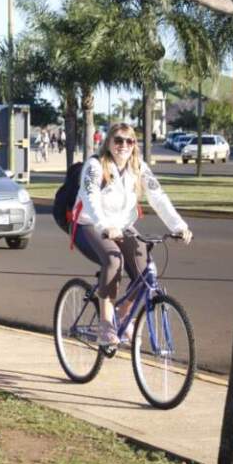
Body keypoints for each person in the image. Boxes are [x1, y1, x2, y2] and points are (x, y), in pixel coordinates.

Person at [72, 123, 192, 346]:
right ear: (108, 142)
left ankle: (124, 312)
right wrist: (104, 226)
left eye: (129, 141)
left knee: (145, 270)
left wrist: (178, 226)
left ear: (135, 145)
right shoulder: (95, 166)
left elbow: (158, 197)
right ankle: (106, 325)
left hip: (122, 225)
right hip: (90, 224)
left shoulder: (139, 168)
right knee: (113, 259)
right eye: (118, 140)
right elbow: (90, 199)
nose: (123, 145)